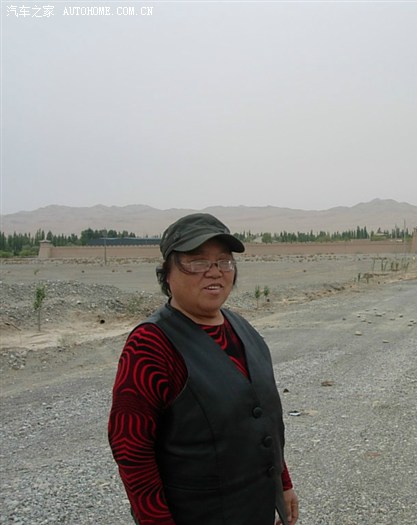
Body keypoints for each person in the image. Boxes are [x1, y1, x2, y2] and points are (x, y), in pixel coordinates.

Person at [108, 213, 299, 525]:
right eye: (197, 262)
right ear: (167, 273)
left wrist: (283, 485)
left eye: (224, 261)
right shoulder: (151, 345)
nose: (215, 272)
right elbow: (131, 449)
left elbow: (263, 423)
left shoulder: (242, 329)